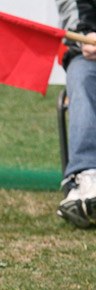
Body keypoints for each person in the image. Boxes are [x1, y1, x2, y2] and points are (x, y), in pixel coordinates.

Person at [57, 0, 96, 228]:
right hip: (90, 56)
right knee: (82, 76)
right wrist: (88, 33)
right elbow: (79, 14)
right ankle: (87, 179)